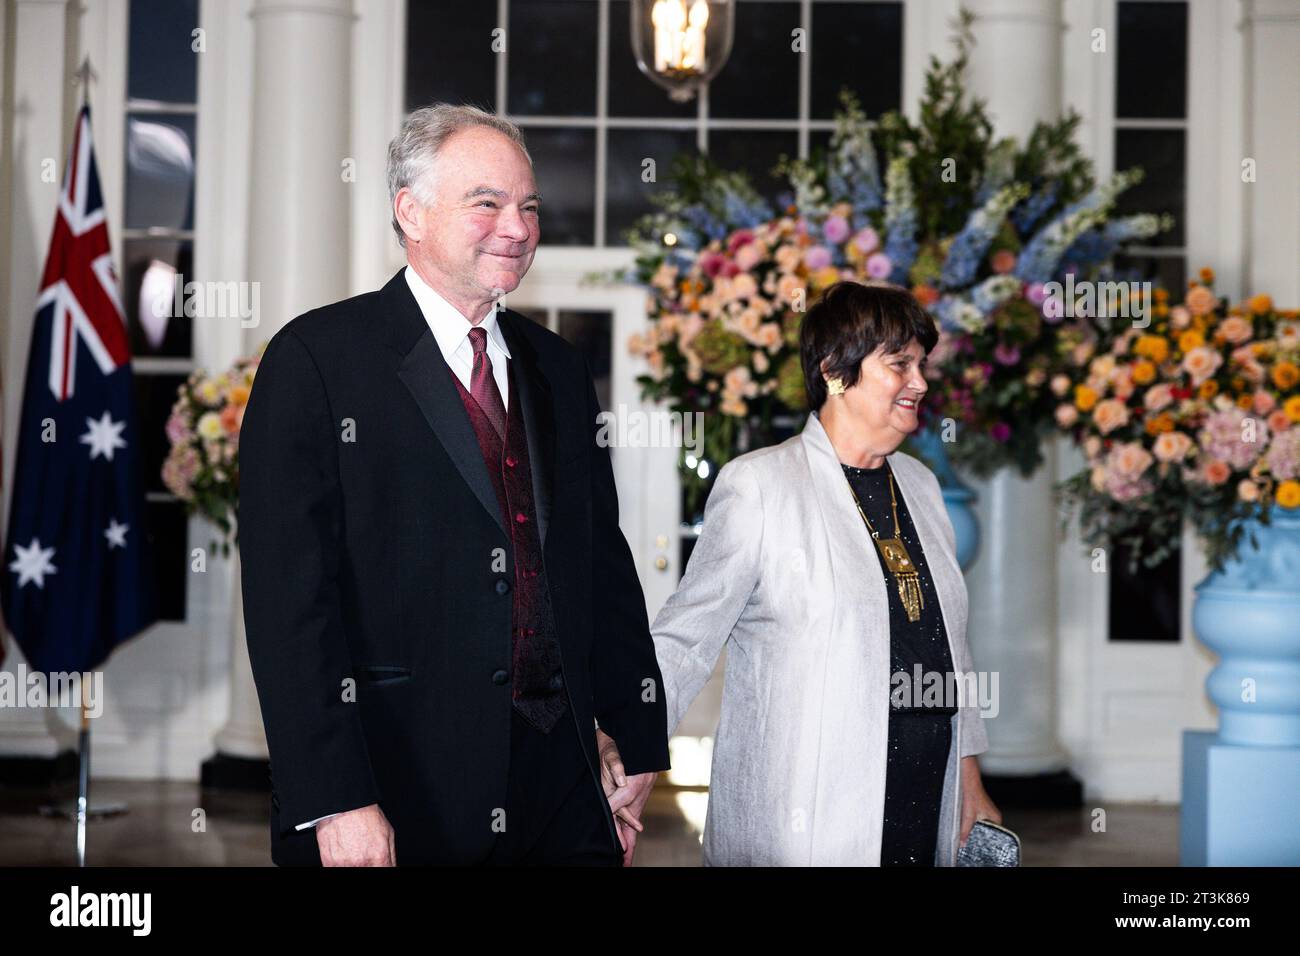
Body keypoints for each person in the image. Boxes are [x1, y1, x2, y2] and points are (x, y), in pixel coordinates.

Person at [238, 103, 669, 866]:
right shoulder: (316, 360)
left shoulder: (559, 370)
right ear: (411, 211)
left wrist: (633, 734)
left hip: (563, 788)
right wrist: (335, 797)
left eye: (529, 206)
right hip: (395, 786)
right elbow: (288, 607)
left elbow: (601, 558)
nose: (518, 226)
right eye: (488, 203)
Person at [643, 280, 1001, 865]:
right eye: (900, 364)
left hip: (920, 802)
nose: (921, 382)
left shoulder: (922, 486)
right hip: (806, 817)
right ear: (836, 370)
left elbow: (946, 647)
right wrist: (628, 746)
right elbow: (686, 638)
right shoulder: (760, 486)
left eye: (922, 365)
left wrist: (969, 774)